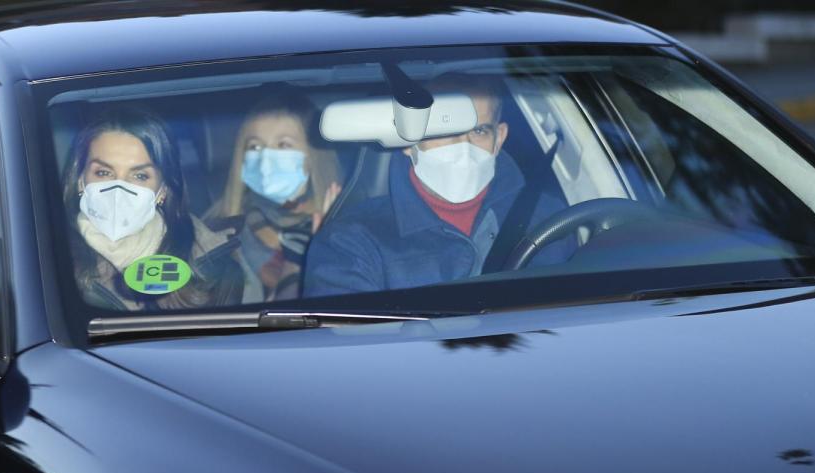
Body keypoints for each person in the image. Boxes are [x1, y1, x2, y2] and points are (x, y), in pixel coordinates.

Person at [304, 75, 575, 297]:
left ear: (499, 138)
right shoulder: (350, 241)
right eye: (445, 129)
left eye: (479, 131)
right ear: (408, 141)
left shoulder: (550, 219)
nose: (463, 148)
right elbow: (351, 352)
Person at [64, 108, 243, 310]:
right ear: (80, 181)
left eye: (140, 176)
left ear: (162, 191)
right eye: (104, 172)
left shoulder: (212, 271)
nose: (118, 189)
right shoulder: (46, 262)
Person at [206, 93, 342, 303]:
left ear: (313, 156)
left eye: (284, 145)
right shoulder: (215, 234)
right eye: (255, 146)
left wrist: (324, 246)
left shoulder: (346, 227)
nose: (266, 160)